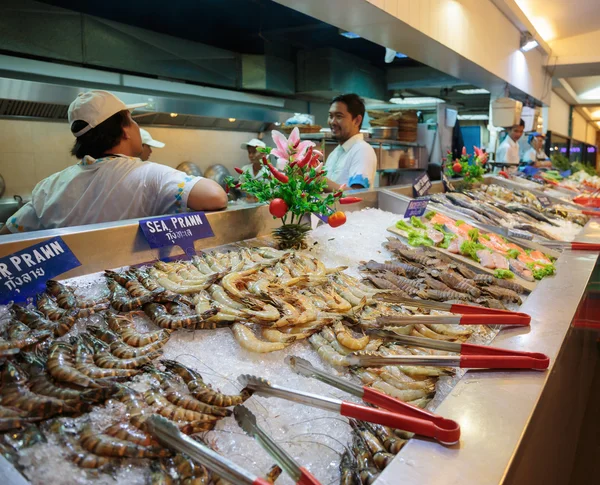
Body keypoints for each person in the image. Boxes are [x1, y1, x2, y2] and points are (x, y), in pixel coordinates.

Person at [1, 90, 227, 234]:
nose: (137, 126)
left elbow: (7, 234)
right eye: (133, 120)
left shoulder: (48, 187)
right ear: (124, 130)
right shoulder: (149, 174)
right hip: (130, 292)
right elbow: (215, 196)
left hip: (68, 297)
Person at [324, 94, 377, 191]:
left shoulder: (362, 150)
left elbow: (357, 194)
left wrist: (319, 181)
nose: (332, 122)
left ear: (357, 120)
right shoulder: (334, 153)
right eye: (330, 116)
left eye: (339, 116)